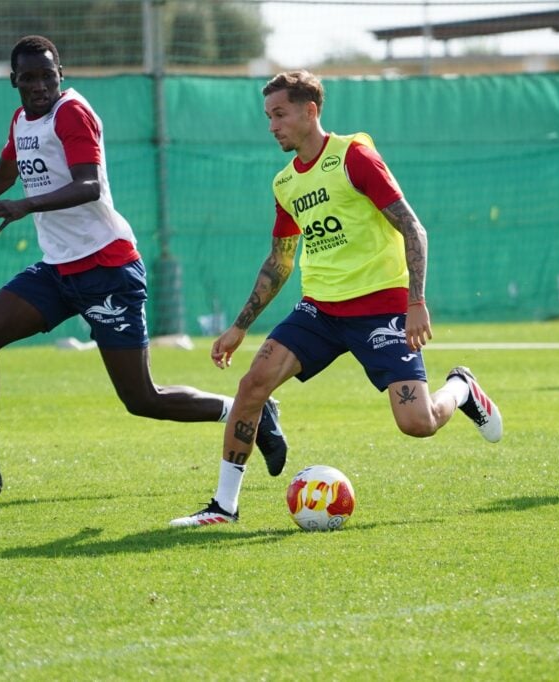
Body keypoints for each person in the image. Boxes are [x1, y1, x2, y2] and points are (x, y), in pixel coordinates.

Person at [0, 35, 287, 496]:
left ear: (60, 75)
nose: (39, 85)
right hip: (58, 270)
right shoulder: (21, 121)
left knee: (142, 399)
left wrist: (26, 206)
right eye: (28, 77)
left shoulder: (72, 112)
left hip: (107, 269)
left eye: (47, 76)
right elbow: (2, 173)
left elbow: (88, 185)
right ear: (14, 81)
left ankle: (250, 410)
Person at [169, 70, 502, 527]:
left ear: (310, 111)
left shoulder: (354, 158)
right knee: (252, 385)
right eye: (268, 117)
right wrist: (240, 326)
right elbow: (280, 260)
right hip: (320, 310)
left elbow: (413, 228)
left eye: (280, 114)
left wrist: (415, 302)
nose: (272, 126)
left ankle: (461, 388)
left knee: (417, 423)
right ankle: (224, 507)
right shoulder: (285, 183)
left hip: (380, 308)